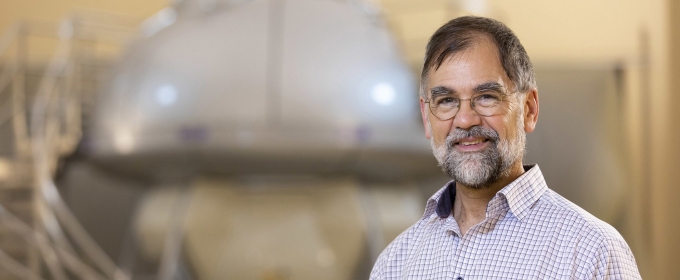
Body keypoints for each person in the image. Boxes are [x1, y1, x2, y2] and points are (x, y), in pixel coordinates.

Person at [370, 16, 641, 279]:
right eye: (446, 101)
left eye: (487, 97)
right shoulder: (395, 263)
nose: (465, 120)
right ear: (426, 118)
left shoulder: (592, 252)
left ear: (529, 109)